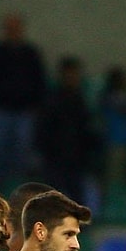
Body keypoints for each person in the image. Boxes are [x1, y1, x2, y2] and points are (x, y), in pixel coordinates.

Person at [0, 13, 47, 188]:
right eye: (9, 28)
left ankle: (18, 183)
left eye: (15, 28)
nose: (13, 32)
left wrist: (35, 104)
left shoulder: (31, 54)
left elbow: (38, 81)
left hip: (24, 110)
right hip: (0, 109)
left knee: (23, 148)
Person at [35, 56, 96, 202]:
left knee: (76, 197)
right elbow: (44, 128)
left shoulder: (80, 101)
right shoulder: (52, 100)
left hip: (76, 157)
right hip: (55, 158)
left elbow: (86, 129)